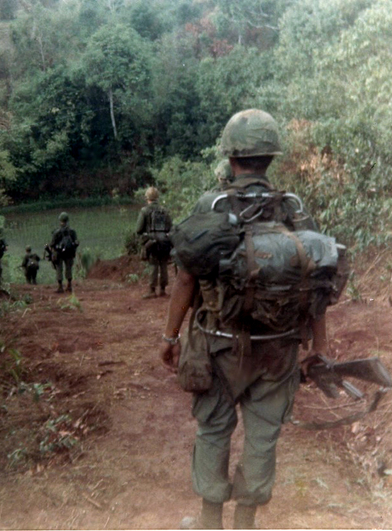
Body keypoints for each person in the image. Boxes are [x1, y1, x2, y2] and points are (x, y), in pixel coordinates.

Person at [161, 109, 332, 530]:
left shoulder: (213, 204)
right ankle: (246, 523)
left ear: (231, 157)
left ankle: (208, 521)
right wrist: (320, 345)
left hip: (218, 343)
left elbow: (186, 277)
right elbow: (319, 281)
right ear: (270, 158)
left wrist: (169, 336)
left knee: (214, 428)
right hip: (279, 346)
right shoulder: (292, 207)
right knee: (263, 435)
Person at [135, 186, 173, 299]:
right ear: (157, 198)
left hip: (152, 242)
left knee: (153, 265)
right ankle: (163, 289)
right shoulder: (165, 211)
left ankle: (152, 290)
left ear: (147, 198)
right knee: (164, 265)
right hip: (165, 242)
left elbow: (138, 229)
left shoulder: (144, 211)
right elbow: (170, 227)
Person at [49, 212, 79, 293]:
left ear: (60, 221)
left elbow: (52, 244)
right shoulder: (72, 231)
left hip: (59, 253)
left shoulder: (57, 232)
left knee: (59, 269)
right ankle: (69, 285)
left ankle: (60, 287)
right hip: (69, 252)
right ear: (67, 220)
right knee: (68, 268)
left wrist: (52, 253)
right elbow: (76, 242)